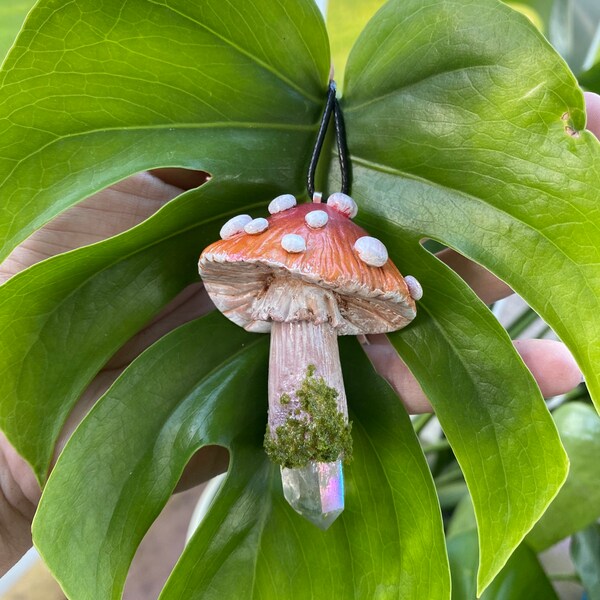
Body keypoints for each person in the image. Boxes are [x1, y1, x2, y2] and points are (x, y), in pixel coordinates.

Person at [0, 91, 598, 578]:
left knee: (317, 442)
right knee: (308, 430)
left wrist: (12, 489)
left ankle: (318, 480)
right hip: (276, 285)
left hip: (317, 296)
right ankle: (310, 475)